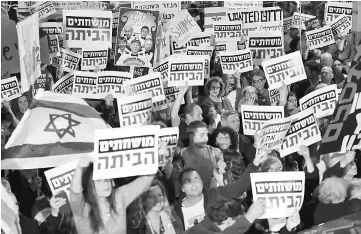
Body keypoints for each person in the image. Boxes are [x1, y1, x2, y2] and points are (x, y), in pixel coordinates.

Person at [69, 150, 161, 234]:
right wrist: (79, 168)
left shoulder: (119, 197)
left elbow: (145, 179)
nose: (105, 183)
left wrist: (155, 155)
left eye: (107, 179)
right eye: (98, 181)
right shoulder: (83, 208)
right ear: (89, 186)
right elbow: (75, 194)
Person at [174, 148, 266, 231]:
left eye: (196, 179)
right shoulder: (175, 212)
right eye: (188, 182)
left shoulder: (216, 193)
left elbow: (240, 185)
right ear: (182, 188)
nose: (193, 184)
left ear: (202, 182)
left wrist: (255, 164)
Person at [179, 121, 224, 188]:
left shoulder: (216, 153)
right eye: (202, 135)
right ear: (191, 136)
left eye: (206, 134)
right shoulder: (181, 155)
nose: (206, 138)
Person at [186, 197, 266, 234]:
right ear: (229, 221)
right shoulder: (199, 231)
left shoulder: (208, 224)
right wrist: (250, 217)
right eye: (236, 223)